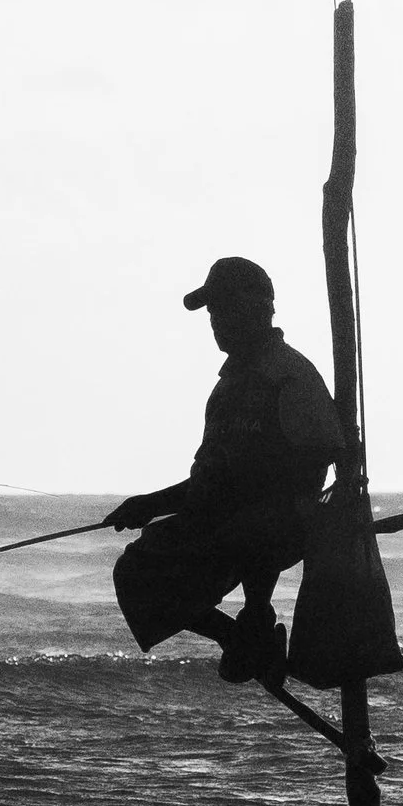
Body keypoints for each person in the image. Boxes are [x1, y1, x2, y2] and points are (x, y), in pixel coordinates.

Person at [110, 255, 343, 687]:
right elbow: (212, 476)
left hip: (269, 523)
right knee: (135, 570)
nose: (216, 321)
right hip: (223, 518)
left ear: (257, 311)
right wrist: (151, 505)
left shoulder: (288, 374)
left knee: (200, 551)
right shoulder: (229, 385)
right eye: (212, 313)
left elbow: (318, 456)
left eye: (223, 310)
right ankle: (240, 636)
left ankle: (253, 622)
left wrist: (174, 502)